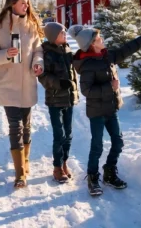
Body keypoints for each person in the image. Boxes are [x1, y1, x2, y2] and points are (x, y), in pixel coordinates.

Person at [67, 24, 141, 197]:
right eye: (98, 39)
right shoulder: (87, 65)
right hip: (96, 111)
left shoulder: (107, 56)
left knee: (118, 142)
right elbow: (87, 91)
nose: (102, 40)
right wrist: (109, 86)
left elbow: (127, 49)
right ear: (92, 44)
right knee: (97, 146)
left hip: (111, 108)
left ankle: (109, 172)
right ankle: (93, 177)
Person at [0, 0, 44, 188]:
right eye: (22, 3)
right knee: (15, 127)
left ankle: (25, 164)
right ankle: (19, 174)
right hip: (8, 86)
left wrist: (38, 63)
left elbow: (38, 51)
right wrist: (6, 55)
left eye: (27, 3)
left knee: (26, 127)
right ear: (12, 4)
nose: (26, 7)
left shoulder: (31, 26)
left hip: (27, 84)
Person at [38, 22, 78, 184]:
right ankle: (56, 167)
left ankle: (64, 162)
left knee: (68, 134)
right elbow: (42, 76)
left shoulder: (68, 50)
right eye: (62, 33)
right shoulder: (47, 53)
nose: (65, 35)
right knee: (59, 134)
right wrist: (59, 83)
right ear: (54, 37)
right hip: (55, 99)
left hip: (69, 98)